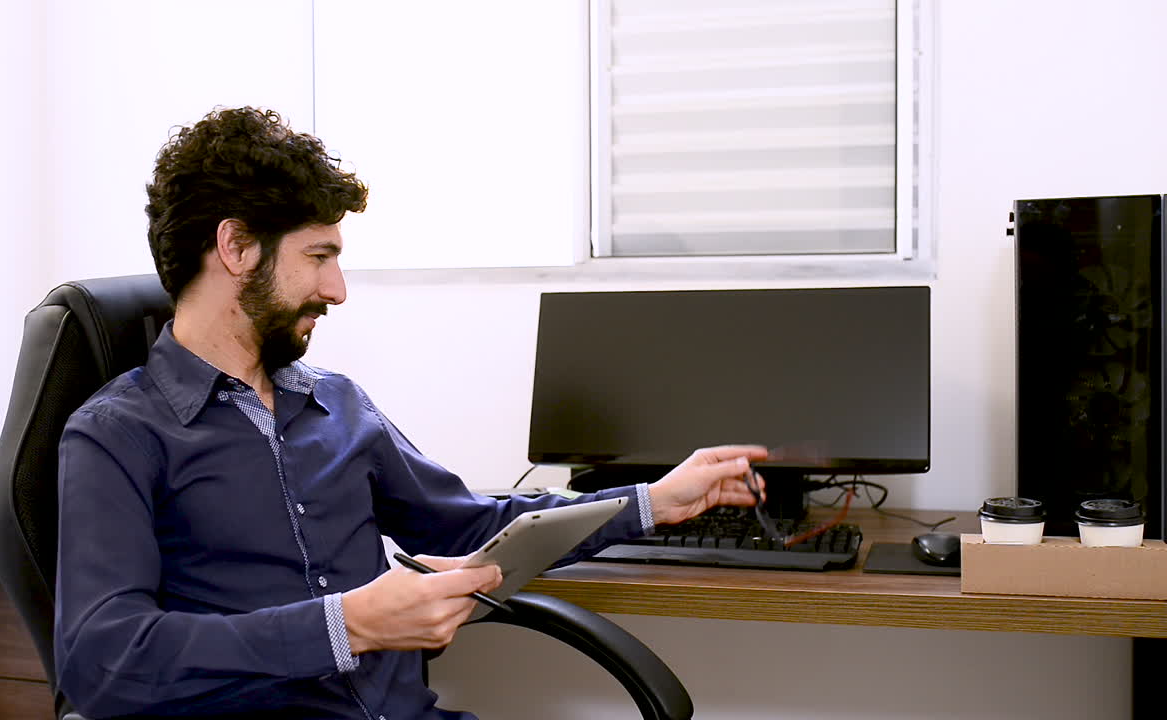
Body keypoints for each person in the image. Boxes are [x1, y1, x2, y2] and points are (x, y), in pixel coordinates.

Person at [54, 106, 769, 719]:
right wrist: (346, 625)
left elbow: (473, 527)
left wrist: (652, 501)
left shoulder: (337, 405)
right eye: (319, 256)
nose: (337, 289)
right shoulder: (117, 434)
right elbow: (101, 659)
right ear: (236, 247)